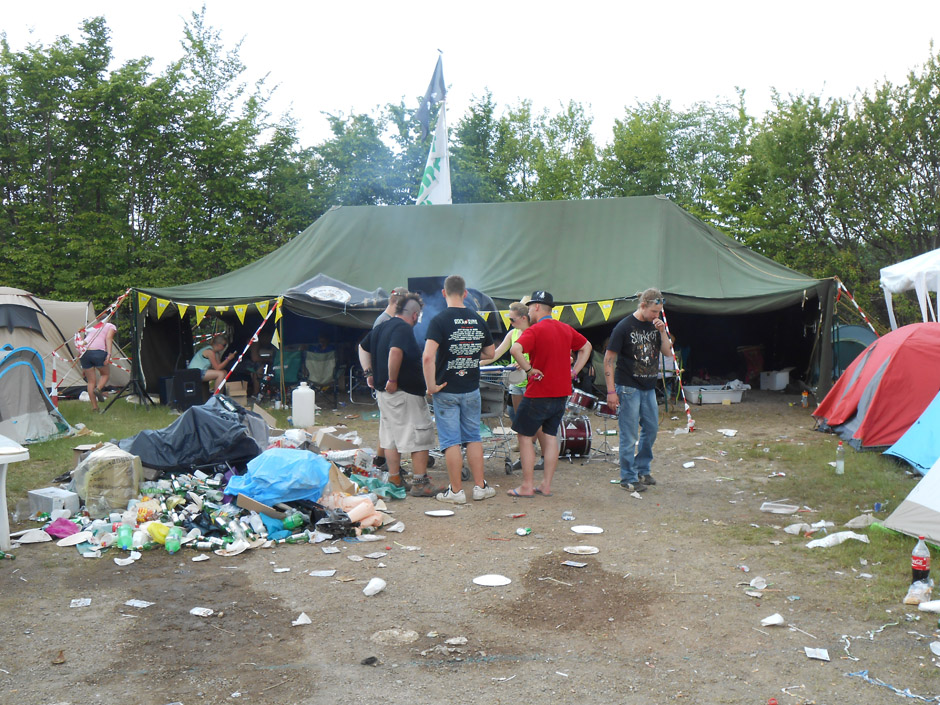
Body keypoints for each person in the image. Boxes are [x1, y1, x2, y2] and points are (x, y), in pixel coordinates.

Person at [507, 290, 592, 498]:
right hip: (561, 392)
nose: (528, 311)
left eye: (529, 307)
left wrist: (528, 370)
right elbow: (586, 346)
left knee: (525, 436)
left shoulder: (535, 330)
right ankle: (545, 485)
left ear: (536, 307)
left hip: (538, 392)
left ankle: (527, 486)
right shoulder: (565, 328)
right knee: (551, 436)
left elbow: (515, 350)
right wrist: (575, 371)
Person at [422, 275, 497, 504]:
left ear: (444, 293)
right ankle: (480, 487)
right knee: (473, 437)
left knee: (451, 441)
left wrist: (430, 386)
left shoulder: (439, 320)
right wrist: (469, 354)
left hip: (446, 389)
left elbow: (427, 356)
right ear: (465, 294)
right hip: (471, 388)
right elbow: (490, 353)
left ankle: (455, 492)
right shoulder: (477, 319)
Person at [358, 293, 440, 497]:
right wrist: (393, 379)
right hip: (403, 392)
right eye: (418, 316)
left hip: (384, 394)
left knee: (391, 436)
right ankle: (420, 483)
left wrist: (369, 373)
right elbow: (396, 351)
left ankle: (395, 478)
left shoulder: (382, 326)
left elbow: (362, 347)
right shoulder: (402, 328)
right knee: (419, 435)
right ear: (414, 314)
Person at [604, 288, 673, 492]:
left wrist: (662, 331)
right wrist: (611, 391)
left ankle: (643, 468)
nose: (656, 316)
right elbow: (608, 359)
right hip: (627, 387)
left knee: (651, 429)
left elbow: (668, 352)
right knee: (629, 433)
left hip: (649, 386)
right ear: (643, 305)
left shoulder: (656, 326)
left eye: (659, 312)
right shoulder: (624, 327)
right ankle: (628, 477)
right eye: (653, 311)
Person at [481, 301, 546, 464]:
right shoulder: (513, 334)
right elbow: (495, 354)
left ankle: (545, 456)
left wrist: (525, 364)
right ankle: (527, 451)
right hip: (516, 382)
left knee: (537, 421)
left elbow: (543, 357)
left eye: (512, 319)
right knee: (519, 418)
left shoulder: (536, 332)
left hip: (533, 382)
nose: (509, 323)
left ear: (523, 318)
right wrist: (476, 364)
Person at [370, 286, 408, 472]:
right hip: (386, 382)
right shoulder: (384, 322)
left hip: (385, 380)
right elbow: (374, 350)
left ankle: (380, 459)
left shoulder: (385, 320)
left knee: (386, 423)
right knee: (392, 425)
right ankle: (391, 466)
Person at [80, 317, 117, 412]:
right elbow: (109, 338)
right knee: (105, 374)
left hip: (85, 354)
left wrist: (83, 368)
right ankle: (99, 389)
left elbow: (84, 343)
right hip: (98, 352)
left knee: (91, 382)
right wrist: (108, 354)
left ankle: (95, 407)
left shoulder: (93, 328)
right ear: (109, 319)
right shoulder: (110, 326)